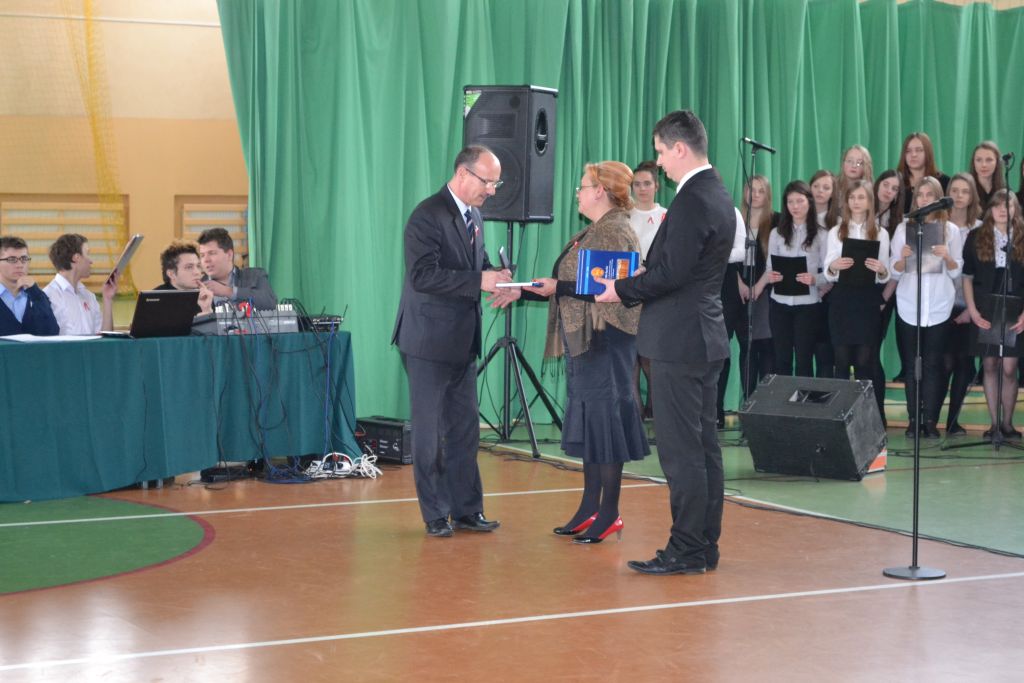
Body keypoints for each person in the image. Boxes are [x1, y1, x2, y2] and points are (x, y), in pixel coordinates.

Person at [596, 110, 734, 575]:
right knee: (704, 447)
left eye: (660, 152)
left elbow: (673, 274)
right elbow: (686, 268)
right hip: (704, 335)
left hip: (680, 339)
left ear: (679, 148)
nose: (658, 162)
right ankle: (703, 544)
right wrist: (649, 273)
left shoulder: (693, 198)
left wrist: (622, 288)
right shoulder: (716, 192)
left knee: (681, 452)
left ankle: (687, 548)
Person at [391, 144, 517, 538]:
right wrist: (479, 280)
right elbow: (423, 276)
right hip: (427, 342)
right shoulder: (426, 216)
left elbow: (475, 266)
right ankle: (434, 513)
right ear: (463, 173)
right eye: (487, 182)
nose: (491, 190)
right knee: (429, 435)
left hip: (462, 341)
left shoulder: (474, 215)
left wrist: (499, 279)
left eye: (496, 184)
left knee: (464, 431)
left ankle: (467, 510)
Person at [526, 161, 649, 544]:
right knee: (593, 422)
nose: (577, 193)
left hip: (605, 337)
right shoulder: (595, 230)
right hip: (589, 336)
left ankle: (609, 512)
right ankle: (589, 507)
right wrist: (535, 289)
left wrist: (557, 287)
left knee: (605, 421)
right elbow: (578, 283)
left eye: (582, 186)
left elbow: (603, 289)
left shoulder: (614, 231)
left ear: (600, 191)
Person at [890, 176, 963, 438]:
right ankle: (913, 420)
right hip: (909, 305)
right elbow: (893, 270)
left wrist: (948, 257)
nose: (924, 199)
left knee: (933, 364)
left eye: (929, 195)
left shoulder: (950, 230)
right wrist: (902, 260)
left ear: (937, 198)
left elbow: (957, 272)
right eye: (920, 195)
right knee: (912, 366)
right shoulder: (904, 229)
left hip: (939, 306)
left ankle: (930, 421)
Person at [824, 179, 891, 420]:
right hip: (842, 299)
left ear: (870, 201)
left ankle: (869, 418)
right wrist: (834, 266)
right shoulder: (836, 231)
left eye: (861, 197)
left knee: (866, 361)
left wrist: (881, 269)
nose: (856, 202)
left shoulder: (881, 232)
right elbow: (827, 269)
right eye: (852, 197)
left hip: (866, 300)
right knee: (841, 361)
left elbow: (886, 272)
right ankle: (840, 418)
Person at [962, 190, 1024, 439]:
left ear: (1015, 210)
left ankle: (1007, 423)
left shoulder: (1022, 236)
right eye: (997, 205)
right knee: (989, 363)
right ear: (989, 209)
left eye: (1007, 206)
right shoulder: (976, 236)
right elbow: (967, 277)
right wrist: (972, 310)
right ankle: (994, 424)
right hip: (985, 305)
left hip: (1016, 306)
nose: (1002, 210)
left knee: (1009, 367)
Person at [752, 180, 827, 377]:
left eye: (800, 201)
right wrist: (771, 276)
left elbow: (830, 273)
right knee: (781, 360)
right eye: (790, 202)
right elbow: (770, 267)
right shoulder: (777, 233)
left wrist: (815, 279)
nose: (795, 206)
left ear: (809, 202)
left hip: (808, 304)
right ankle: (783, 398)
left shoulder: (821, 234)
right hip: (779, 303)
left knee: (804, 360)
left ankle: (804, 398)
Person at [942, 173, 983, 435]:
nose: (959, 196)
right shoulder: (939, 225)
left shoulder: (980, 229)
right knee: (943, 363)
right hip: (942, 306)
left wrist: (971, 308)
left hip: (970, 308)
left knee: (963, 365)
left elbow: (983, 274)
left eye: (965, 191)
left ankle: (952, 422)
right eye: (954, 190)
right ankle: (929, 420)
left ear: (972, 197)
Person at [629, 160, 667, 419]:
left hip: (655, 294)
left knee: (650, 357)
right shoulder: (624, 215)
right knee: (629, 355)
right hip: (627, 292)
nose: (642, 189)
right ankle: (635, 413)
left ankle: (656, 408)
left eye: (647, 184)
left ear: (656, 186)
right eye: (637, 184)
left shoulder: (667, 216)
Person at [736, 174, 775, 394]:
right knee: (747, 348)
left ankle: (765, 403)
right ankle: (748, 400)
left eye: (761, 190)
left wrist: (759, 286)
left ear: (768, 195)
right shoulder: (736, 221)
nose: (756, 195)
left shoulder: (776, 221)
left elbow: (776, 259)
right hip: (740, 292)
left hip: (766, 292)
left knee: (766, 347)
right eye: (752, 189)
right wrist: (740, 284)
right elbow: (725, 257)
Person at [43, 233, 116, 335]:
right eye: (87, 254)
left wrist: (107, 299)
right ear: (76, 258)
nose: (91, 261)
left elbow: (105, 337)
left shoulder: (89, 296)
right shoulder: (48, 296)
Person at [197, 228, 277, 310]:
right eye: (202, 255)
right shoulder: (197, 287)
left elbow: (270, 302)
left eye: (212, 253)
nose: (206, 260)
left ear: (229, 255)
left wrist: (228, 291)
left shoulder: (255, 276)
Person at [0, 236, 59, 336]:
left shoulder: (37, 296)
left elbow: (52, 332)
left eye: (24, 259)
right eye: (12, 259)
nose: (20, 265)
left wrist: (36, 293)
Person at [155, 240, 214, 314]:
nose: (197, 272)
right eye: (189, 267)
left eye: (198, 266)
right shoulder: (155, 299)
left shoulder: (204, 295)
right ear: (171, 274)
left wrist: (207, 310)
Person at [897, 132, 949, 214]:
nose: (913, 155)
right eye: (908, 151)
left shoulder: (944, 182)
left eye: (919, 150)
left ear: (928, 153)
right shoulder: (897, 182)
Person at [969, 140, 1005, 210]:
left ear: (997, 163)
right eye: (979, 160)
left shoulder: (1004, 191)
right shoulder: (967, 189)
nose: (984, 165)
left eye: (989, 160)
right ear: (973, 162)